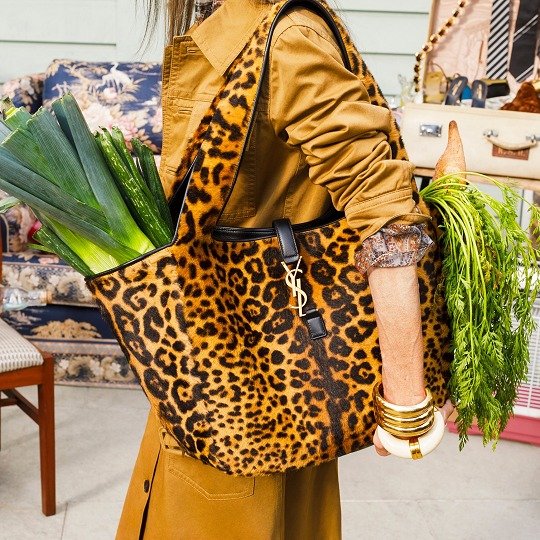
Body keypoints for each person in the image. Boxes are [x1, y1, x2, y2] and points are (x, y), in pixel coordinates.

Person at [118, 0, 455, 537]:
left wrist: (407, 399)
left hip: (244, 387)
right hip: (238, 371)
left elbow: (385, 216)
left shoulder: (287, 37)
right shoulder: (243, 27)